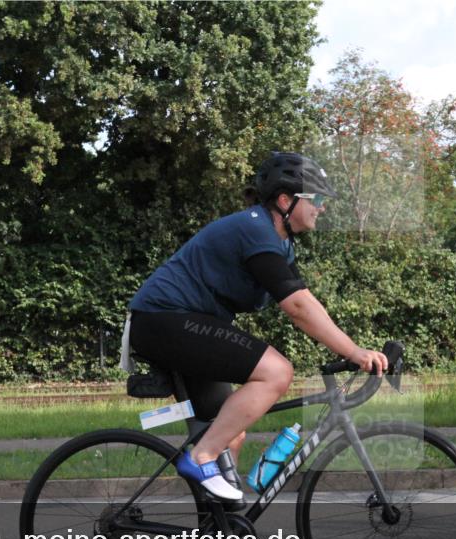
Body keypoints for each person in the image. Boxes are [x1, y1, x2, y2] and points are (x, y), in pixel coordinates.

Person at [127, 152, 388, 502]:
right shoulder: (255, 229)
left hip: (183, 323)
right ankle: (199, 458)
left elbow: (306, 301)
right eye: (318, 199)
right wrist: (354, 352)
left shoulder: (280, 242)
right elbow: (297, 308)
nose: (322, 208)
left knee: (230, 430)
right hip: (164, 319)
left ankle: (220, 536)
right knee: (277, 372)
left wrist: (349, 349)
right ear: (285, 200)